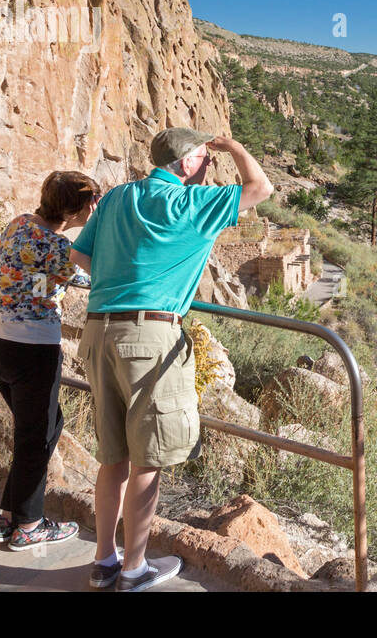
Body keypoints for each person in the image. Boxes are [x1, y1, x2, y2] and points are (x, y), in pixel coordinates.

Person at [71, 128, 272, 591]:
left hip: (99, 328)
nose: (208, 168)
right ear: (184, 164)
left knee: (112, 456)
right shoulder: (191, 204)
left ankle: (104, 560)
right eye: (205, 159)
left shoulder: (119, 196)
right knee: (147, 459)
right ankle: (134, 569)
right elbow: (260, 188)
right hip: (150, 334)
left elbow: (81, 255)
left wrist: (125, 273)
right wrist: (237, 147)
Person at [0, 171, 101, 551]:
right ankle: (29, 525)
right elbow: (97, 271)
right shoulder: (59, 248)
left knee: (44, 428)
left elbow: (37, 278)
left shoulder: (19, 224)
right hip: (31, 347)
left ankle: (8, 517)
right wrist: (95, 223)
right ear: (81, 207)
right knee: (35, 436)